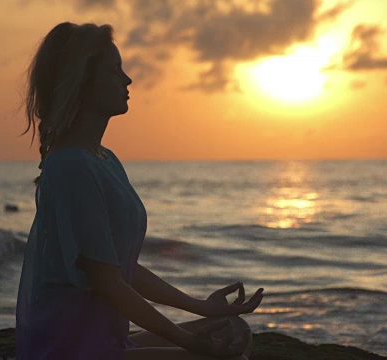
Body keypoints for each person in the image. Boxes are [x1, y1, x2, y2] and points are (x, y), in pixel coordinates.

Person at [15, 22, 265, 360]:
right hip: (73, 350)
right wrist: (186, 340)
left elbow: (119, 268)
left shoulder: (104, 159)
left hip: (107, 339)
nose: (127, 80)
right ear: (83, 81)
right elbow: (108, 284)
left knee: (234, 331)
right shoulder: (72, 166)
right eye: (115, 70)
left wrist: (201, 308)